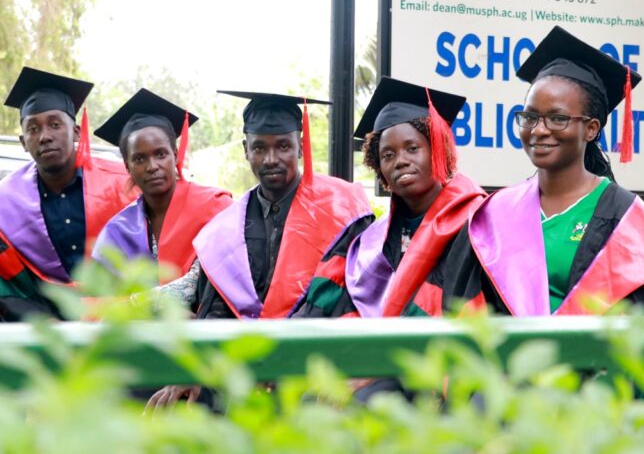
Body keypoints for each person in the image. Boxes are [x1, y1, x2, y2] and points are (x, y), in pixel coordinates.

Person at [444, 26, 644, 316]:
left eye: (558, 118)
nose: (539, 129)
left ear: (591, 129)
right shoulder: (497, 212)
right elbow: (464, 305)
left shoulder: (625, 217)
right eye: (530, 116)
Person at [147, 91, 375, 408]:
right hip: (242, 362)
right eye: (259, 147)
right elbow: (216, 309)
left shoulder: (342, 209)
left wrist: (282, 356)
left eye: (282, 146)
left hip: (317, 356)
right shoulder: (226, 228)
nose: (271, 159)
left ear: (300, 146)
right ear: (245, 150)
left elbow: (346, 296)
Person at [0, 67, 137, 323]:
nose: (45, 136)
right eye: (33, 129)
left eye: (55, 125)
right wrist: (45, 323)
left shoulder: (122, 186)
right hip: (38, 323)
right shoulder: (6, 203)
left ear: (76, 132)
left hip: (116, 317)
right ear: (23, 142)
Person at [295, 77, 486, 319]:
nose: (401, 161)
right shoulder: (369, 239)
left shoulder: (473, 226)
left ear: (437, 150)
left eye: (412, 148)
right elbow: (328, 305)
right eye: (388, 155)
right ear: (378, 166)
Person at [90, 88, 232, 287]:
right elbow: (101, 301)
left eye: (161, 154)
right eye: (139, 158)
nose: (152, 166)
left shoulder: (216, 208)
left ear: (175, 155)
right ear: (127, 166)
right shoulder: (118, 231)